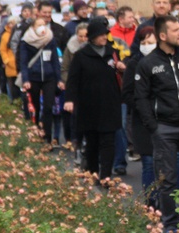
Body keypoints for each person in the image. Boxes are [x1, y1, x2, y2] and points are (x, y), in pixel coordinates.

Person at [134, 15, 179, 233]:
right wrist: (153, 127)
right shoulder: (147, 63)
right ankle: (171, 224)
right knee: (167, 180)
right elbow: (141, 98)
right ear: (163, 35)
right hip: (163, 128)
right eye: (176, 30)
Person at [63, 17, 125, 180]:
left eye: (106, 34)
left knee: (108, 141)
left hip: (110, 103)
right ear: (92, 37)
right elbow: (73, 79)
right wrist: (70, 99)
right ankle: (93, 171)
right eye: (101, 35)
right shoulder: (81, 55)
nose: (104, 37)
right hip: (89, 105)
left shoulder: (112, 53)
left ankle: (105, 175)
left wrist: (122, 69)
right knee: (92, 142)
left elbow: (119, 74)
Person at [122, 26, 158, 203]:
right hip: (142, 122)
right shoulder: (134, 64)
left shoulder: (164, 62)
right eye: (143, 42)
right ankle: (150, 201)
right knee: (149, 163)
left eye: (150, 42)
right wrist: (142, 106)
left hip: (164, 120)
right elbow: (127, 93)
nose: (147, 46)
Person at [19, 17, 64, 150]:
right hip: (33, 77)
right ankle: (35, 135)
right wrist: (26, 80)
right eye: (39, 24)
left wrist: (59, 79)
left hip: (49, 78)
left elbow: (55, 61)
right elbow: (23, 62)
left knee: (48, 108)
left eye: (44, 24)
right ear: (32, 27)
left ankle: (47, 138)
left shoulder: (50, 39)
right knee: (35, 108)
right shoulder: (26, 41)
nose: (42, 27)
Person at [61, 22, 89, 151]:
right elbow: (65, 68)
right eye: (81, 36)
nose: (83, 39)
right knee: (75, 116)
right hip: (75, 86)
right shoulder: (70, 48)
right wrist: (70, 82)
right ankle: (75, 139)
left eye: (86, 36)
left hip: (89, 86)